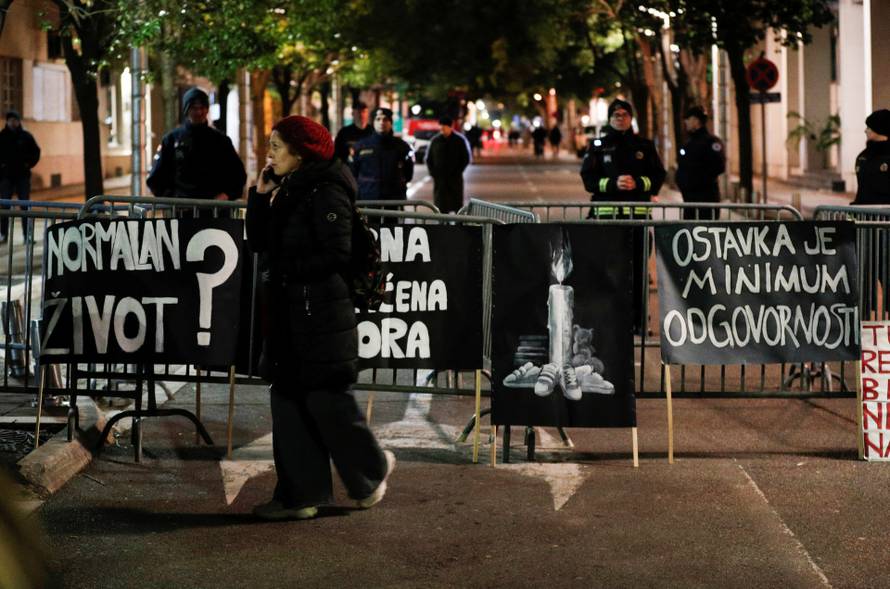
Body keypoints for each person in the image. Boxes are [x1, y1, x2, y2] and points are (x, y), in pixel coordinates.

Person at [246, 114, 395, 521]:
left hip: (320, 315)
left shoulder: (326, 189)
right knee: (289, 400)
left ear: (300, 153)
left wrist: (287, 270)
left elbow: (336, 254)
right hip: (292, 314)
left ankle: (370, 471)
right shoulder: (290, 187)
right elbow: (260, 241)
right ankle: (300, 495)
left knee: (326, 398)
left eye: (277, 146)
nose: (269, 153)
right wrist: (259, 196)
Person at [580, 98, 666, 334]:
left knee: (638, 272)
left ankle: (638, 320)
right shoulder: (598, 146)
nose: (620, 118)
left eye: (624, 114)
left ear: (630, 118)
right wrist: (613, 183)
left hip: (637, 220)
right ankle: (609, 320)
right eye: (616, 115)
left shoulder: (644, 146)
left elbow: (658, 175)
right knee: (608, 271)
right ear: (610, 119)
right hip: (606, 220)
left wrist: (637, 183)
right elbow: (588, 179)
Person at [147, 87, 247, 206]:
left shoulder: (221, 141)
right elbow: (155, 180)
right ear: (186, 110)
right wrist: (172, 199)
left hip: (214, 213)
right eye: (194, 108)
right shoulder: (171, 140)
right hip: (181, 213)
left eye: (202, 108)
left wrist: (227, 194)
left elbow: (238, 175)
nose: (199, 112)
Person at [350, 107, 414, 201]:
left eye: (385, 119)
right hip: (368, 199)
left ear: (391, 123)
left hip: (394, 200)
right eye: (378, 119)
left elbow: (408, 173)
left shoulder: (401, 146)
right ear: (373, 122)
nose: (382, 122)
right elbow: (353, 172)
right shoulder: (361, 146)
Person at [675, 105, 726, 220]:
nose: (686, 122)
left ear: (695, 120)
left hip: (706, 202)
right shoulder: (688, 144)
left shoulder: (711, 142)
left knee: (705, 235)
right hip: (689, 201)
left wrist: (694, 180)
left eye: (688, 119)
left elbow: (719, 166)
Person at [0, 110, 40, 242]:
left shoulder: (26, 136)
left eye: (15, 120)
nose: (13, 122)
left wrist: (28, 164)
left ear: (18, 121)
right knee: (5, 205)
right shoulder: (2, 136)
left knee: (24, 205)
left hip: (22, 177)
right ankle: (3, 234)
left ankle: (27, 235)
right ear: (7, 121)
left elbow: (36, 151)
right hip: (6, 177)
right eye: (10, 120)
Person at [426, 116, 472, 213]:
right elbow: (429, 159)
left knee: (457, 206)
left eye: (445, 126)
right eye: (441, 126)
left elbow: (465, 158)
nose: (442, 128)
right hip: (440, 180)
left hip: (454, 179)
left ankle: (458, 227)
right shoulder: (435, 141)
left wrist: (458, 171)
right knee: (441, 207)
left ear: (451, 127)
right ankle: (443, 226)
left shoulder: (459, 140)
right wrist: (433, 173)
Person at [852, 108, 890, 205]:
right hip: (864, 214)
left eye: (869, 127)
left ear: (879, 129)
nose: (865, 131)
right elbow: (862, 189)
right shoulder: (863, 157)